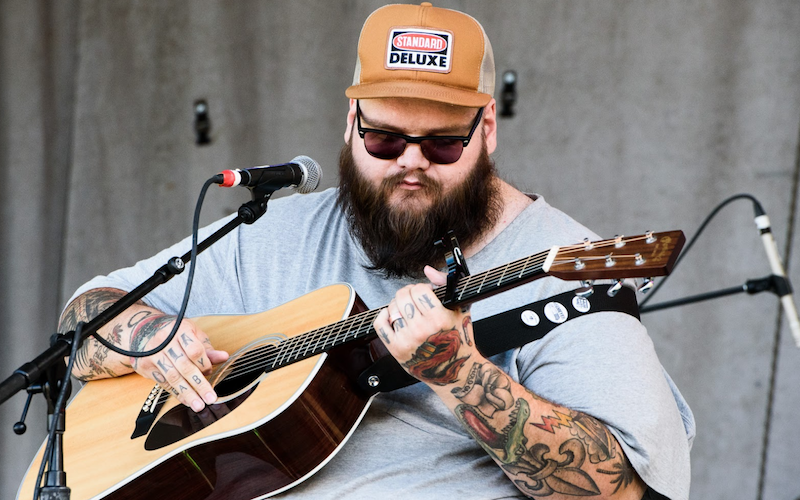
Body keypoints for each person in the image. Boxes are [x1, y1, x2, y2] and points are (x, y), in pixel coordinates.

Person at [60, 3, 694, 499]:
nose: (411, 163)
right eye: (386, 139)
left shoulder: (569, 261)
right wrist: (145, 336)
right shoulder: (279, 229)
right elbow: (85, 316)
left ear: (488, 130)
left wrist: (459, 374)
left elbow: (619, 491)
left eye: (442, 143)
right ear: (350, 124)